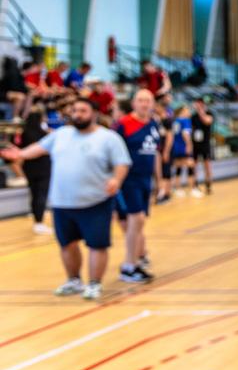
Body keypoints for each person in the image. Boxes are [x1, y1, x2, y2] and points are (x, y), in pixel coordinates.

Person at [2, 98, 130, 300]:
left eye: (83, 111)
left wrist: (117, 180)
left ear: (94, 113)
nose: (78, 114)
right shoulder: (61, 134)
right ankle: (74, 280)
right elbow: (40, 147)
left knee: (97, 245)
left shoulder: (108, 138)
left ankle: (94, 283)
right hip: (62, 202)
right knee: (67, 244)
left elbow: (122, 163)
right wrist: (21, 154)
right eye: (75, 110)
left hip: (96, 202)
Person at [113, 89, 162, 283]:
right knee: (135, 219)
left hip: (145, 180)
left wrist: (159, 181)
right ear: (134, 103)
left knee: (137, 223)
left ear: (153, 103)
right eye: (140, 100)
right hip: (127, 180)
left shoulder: (153, 124)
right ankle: (129, 266)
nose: (144, 104)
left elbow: (155, 154)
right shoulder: (123, 124)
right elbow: (111, 151)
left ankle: (139, 257)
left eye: (148, 100)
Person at [12, 106, 51, 233]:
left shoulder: (23, 133)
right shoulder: (45, 134)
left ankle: (35, 215)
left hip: (29, 168)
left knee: (34, 194)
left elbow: (17, 146)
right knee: (41, 195)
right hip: (43, 168)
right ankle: (39, 222)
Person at [167, 104, 200, 197]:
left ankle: (177, 188)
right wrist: (189, 145)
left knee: (178, 167)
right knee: (191, 165)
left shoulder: (175, 121)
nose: (189, 112)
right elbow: (185, 134)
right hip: (183, 147)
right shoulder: (185, 121)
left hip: (176, 147)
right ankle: (193, 188)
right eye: (186, 110)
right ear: (182, 112)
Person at [191, 99, 215, 194]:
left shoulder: (209, 113)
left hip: (205, 143)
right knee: (194, 164)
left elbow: (207, 121)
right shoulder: (193, 116)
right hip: (195, 143)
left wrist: (201, 112)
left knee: (207, 164)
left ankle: (208, 183)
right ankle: (195, 184)